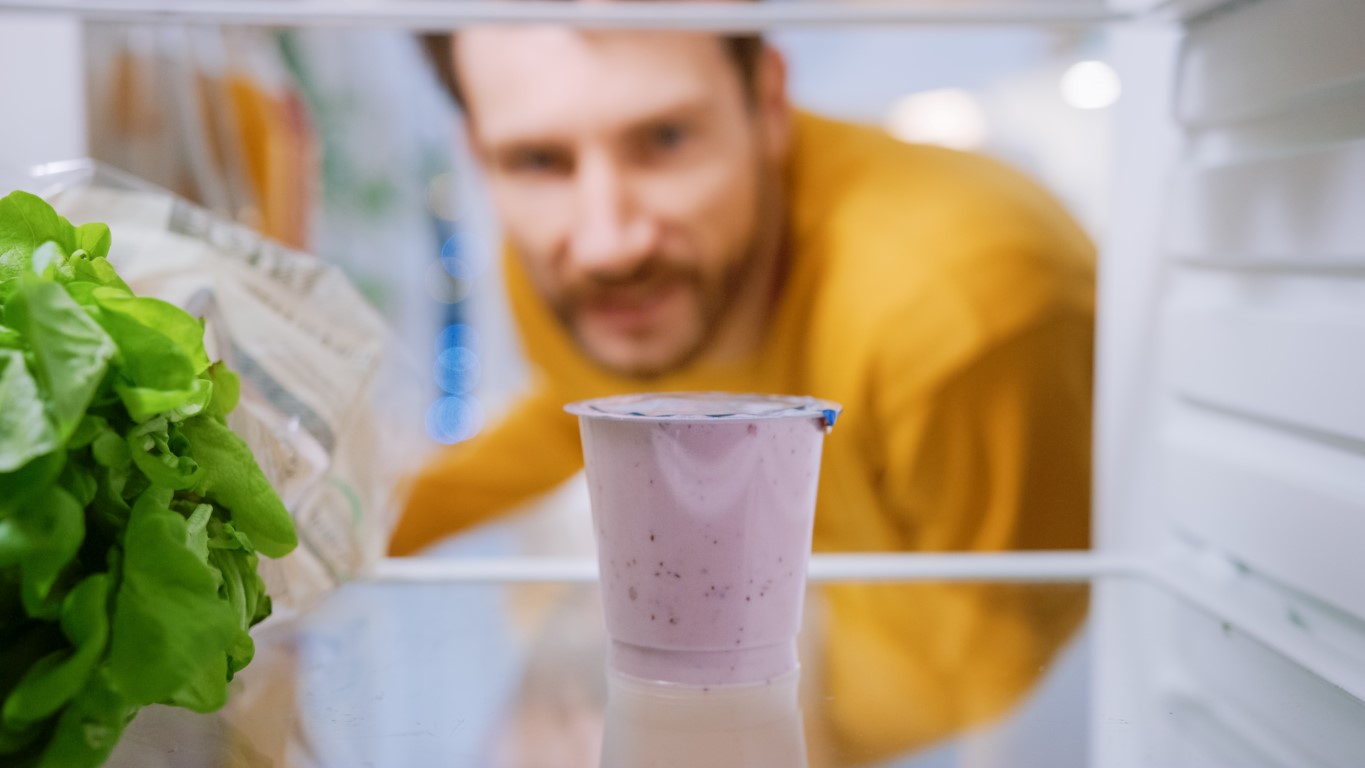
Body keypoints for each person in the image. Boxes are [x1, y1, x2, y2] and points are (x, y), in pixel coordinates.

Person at [392, 24, 1093, 763]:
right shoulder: (585, 274)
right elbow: (596, 400)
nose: (606, 242)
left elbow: (996, 655)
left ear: (768, 105)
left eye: (664, 139)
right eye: (537, 159)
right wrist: (361, 523)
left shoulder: (961, 317)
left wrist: (706, 728)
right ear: (476, 150)